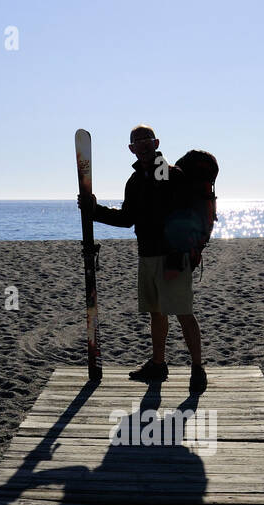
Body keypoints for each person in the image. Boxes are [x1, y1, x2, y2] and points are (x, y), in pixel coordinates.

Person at [77, 124, 206, 392]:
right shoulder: (135, 182)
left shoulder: (173, 175)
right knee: (156, 313)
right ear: (131, 149)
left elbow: (186, 219)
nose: (143, 144)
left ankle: (197, 368)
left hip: (172, 258)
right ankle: (158, 364)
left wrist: (175, 258)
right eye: (137, 141)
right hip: (146, 256)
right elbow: (127, 219)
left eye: (147, 139)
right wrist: (94, 210)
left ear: (156, 143)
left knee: (183, 312)